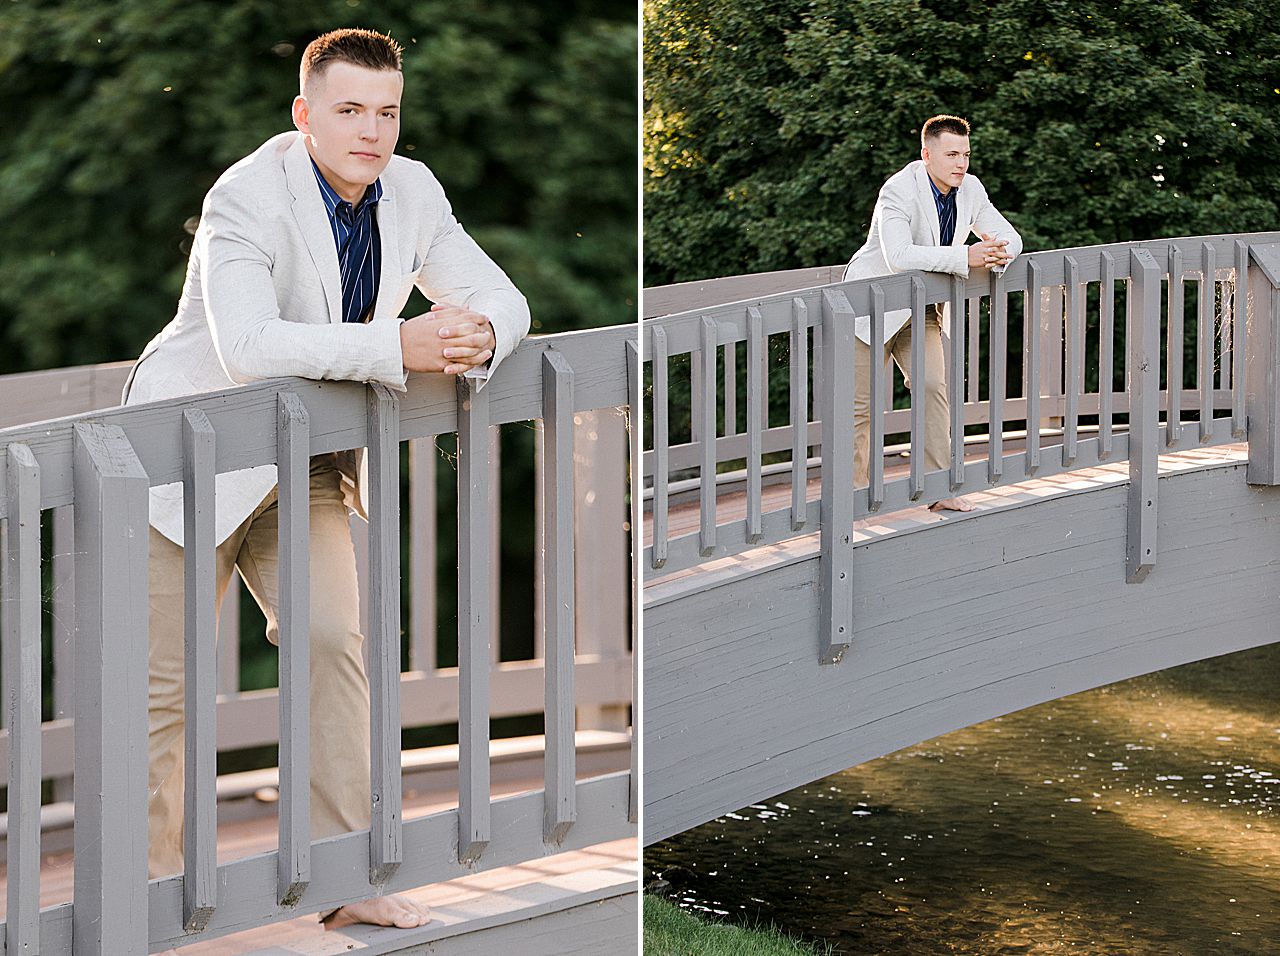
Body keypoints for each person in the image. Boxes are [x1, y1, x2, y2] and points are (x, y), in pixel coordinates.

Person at [122, 28, 530, 930]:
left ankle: (347, 878)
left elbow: (499, 295)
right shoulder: (247, 195)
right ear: (305, 115)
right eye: (349, 110)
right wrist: (398, 345)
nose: (371, 131)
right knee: (164, 687)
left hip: (303, 459)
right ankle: (150, 906)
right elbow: (248, 346)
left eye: (386, 112)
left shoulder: (413, 189)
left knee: (335, 641)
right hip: (183, 459)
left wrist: (482, 337)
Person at [843, 114, 1021, 512]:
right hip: (869, 306)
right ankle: (852, 500)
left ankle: (940, 489)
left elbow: (1010, 235)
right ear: (927, 154)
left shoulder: (970, 189)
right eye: (952, 154)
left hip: (921, 307)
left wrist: (996, 254)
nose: (961, 163)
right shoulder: (899, 189)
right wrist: (965, 256)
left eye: (966, 154)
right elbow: (899, 256)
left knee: (933, 387)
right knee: (861, 405)